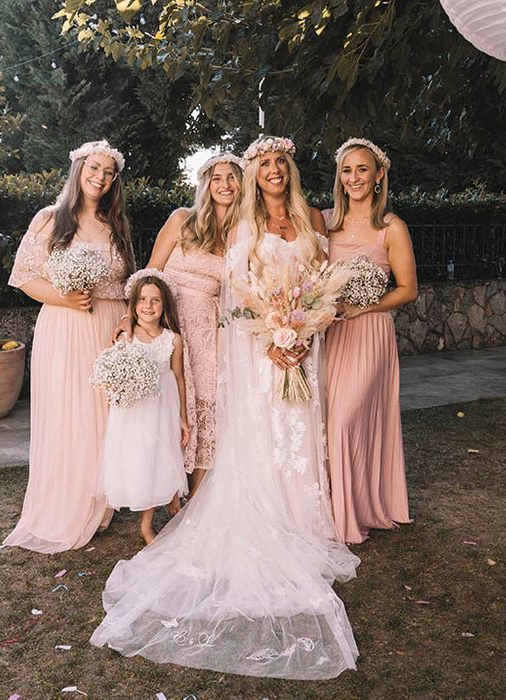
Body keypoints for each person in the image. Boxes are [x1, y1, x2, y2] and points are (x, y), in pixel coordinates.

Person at [90, 137, 359, 680]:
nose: (271, 172)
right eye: (262, 165)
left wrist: (303, 326)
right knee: (218, 419)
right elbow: (240, 289)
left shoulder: (309, 218)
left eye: (279, 163)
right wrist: (274, 331)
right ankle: (174, 494)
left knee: (293, 428)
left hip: (300, 344)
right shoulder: (234, 227)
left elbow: (320, 281)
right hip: (258, 342)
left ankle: (300, 518)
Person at [0, 140, 135, 554]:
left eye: (109, 172)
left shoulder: (117, 225)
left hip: (109, 327)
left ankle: (103, 499)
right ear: (79, 168)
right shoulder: (51, 219)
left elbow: (128, 282)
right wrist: (65, 297)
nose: (101, 177)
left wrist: (129, 319)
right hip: (66, 325)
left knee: (107, 415)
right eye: (94, 167)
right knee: (72, 414)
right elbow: (23, 276)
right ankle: (71, 503)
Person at [113, 154, 243, 498]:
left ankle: (195, 496)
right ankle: (166, 491)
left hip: (207, 333)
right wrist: (130, 314)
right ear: (206, 184)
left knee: (207, 405)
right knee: (165, 407)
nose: (225, 185)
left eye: (232, 178)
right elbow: (151, 272)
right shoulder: (181, 221)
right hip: (166, 323)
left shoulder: (240, 236)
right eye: (217, 178)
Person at [324, 137, 417, 544]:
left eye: (362, 169)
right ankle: (341, 507)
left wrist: (364, 306)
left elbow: (408, 289)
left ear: (379, 175)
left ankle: (350, 515)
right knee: (329, 422)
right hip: (330, 333)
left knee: (345, 421)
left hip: (370, 332)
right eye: (347, 170)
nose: (354, 178)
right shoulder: (325, 223)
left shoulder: (391, 227)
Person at [98, 272, 190, 544]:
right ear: (134, 303)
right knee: (141, 461)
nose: (148, 306)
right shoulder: (126, 336)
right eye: (142, 300)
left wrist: (183, 417)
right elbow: (113, 373)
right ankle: (147, 521)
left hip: (163, 406)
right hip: (134, 411)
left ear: (164, 306)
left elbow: (178, 376)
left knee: (162, 456)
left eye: (156, 301)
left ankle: (159, 509)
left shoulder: (172, 339)